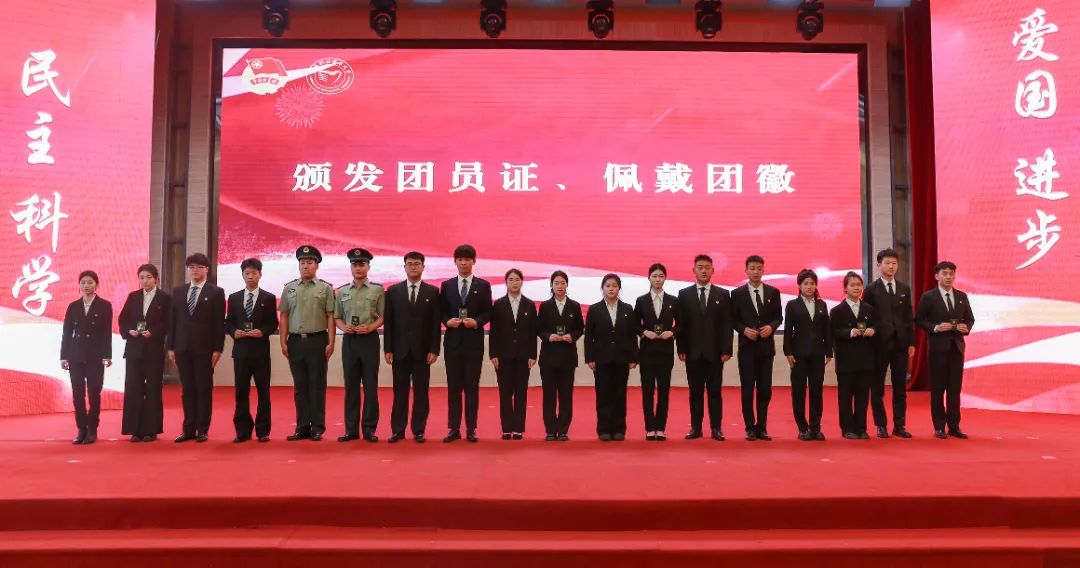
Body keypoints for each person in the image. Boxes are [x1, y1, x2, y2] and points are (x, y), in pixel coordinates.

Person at [279, 245, 336, 442]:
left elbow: (330, 316)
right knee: (300, 387)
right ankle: (302, 426)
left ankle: (318, 427)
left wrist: (331, 342)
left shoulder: (325, 288)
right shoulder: (289, 288)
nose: (305, 266)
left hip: (318, 341)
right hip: (295, 342)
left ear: (316, 266)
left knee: (317, 386)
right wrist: (283, 341)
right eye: (302, 262)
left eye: (310, 262)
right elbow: (284, 315)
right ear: (298, 265)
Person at [167, 253, 226, 443]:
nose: (195, 270)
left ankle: (202, 429)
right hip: (182, 347)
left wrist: (218, 348)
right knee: (187, 389)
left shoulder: (216, 292)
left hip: (205, 349)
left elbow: (219, 323)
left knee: (203, 389)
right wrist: (170, 346)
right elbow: (172, 321)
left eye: (199, 267)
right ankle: (188, 429)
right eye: (191, 267)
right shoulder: (178, 291)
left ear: (206, 269)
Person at [383, 251, 441, 444]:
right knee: (399, 393)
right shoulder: (393, 291)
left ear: (423, 267)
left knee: (421, 393)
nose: (413, 267)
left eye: (417, 264)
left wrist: (434, 349)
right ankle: (398, 430)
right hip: (399, 351)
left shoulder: (432, 292)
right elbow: (389, 322)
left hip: (422, 352)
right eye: (410, 263)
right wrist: (388, 349)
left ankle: (418, 430)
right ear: (404, 267)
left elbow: (435, 324)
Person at [676, 254, 733, 441]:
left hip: (715, 353)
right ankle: (696, 428)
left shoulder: (723, 294)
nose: (703, 270)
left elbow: (727, 324)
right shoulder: (684, 295)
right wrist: (681, 348)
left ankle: (716, 428)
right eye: (700, 267)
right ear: (694, 270)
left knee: (715, 392)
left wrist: (727, 349)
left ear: (713, 270)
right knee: (695, 393)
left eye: (707, 267)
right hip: (692, 352)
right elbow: (681, 325)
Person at [915, 261, 975, 440]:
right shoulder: (929, 297)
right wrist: (935, 327)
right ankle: (939, 426)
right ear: (937, 276)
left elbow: (970, 319)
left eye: (951, 274)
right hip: (937, 349)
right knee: (938, 389)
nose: (948, 277)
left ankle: (954, 426)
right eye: (944, 273)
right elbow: (920, 319)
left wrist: (966, 327)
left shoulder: (962, 296)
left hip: (956, 348)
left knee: (954, 389)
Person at [439, 244, 492, 443]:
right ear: (455, 262)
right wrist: (447, 322)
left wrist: (476, 322)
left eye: (467, 259)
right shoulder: (447, 285)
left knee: (471, 387)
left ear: (474, 261)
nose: (463, 263)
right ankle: (453, 428)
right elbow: (441, 311)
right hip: (452, 344)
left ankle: (471, 428)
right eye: (460, 259)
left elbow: (488, 312)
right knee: (453, 388)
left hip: (473, 344)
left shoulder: (483, 285)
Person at [861, 248, 916, 439]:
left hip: (900, 344)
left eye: (894, 263)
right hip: (878, 344)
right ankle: (881, 425)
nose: (891, 266)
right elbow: (867, 316)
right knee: (877, 387)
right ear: (879, 265)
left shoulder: (904, 289)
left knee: (900, 387)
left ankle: (899, 425)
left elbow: (908, 317)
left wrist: (911, 342)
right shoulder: (871, 289)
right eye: (887, 263)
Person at [224, 258, 278, 443]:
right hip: (240, 352)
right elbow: (228, 322)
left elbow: (273, 323)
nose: (250, 277)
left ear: (260, 275)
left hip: (260, 352)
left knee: (264, 392)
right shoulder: (234, 298)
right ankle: (242, 431)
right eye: (247, 273)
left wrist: (262, 331)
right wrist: (234, 332)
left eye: (254, 273)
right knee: (241, 392)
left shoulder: (268, 298)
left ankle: (263, 431)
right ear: (242, 275)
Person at [730, 255, 783, 441]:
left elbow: (779, 317)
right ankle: (750, 427)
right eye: (752, 268)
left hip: (766, 349)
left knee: (764, 389)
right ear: (746, 270)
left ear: (763, 270)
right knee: (747, 389)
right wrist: (743, 330)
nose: (755, 272)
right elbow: (732, 319)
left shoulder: (773, 292)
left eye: (759, 268)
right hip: (747, 348)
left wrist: (771, 327)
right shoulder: (737, 294)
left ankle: (762, 426)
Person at [335, 248, 385, 443]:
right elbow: (337, 317)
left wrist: (371, 327)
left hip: (369, 340)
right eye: (355, 264)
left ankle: (369, 429)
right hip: (350, 341)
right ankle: (351, 430)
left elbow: (382, 316)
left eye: (362, 264)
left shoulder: (377, 290)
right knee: (351, 387)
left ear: (368, 267)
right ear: (351, 267)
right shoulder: (342, 291)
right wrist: (343, 327)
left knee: (370, 386)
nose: (358, 268)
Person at [118, 264, 170, 442]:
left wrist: (153, 332)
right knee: (133, 388)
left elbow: (168, 322)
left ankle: (151, 429)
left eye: (148, 277)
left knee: (153, 389)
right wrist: (129, 331)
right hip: (134, 350)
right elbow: (123, 320)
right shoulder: (133, 296)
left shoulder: (164, 298)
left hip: (153, 350)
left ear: (156, 279)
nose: (145, 281)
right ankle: (135, 430)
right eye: (142, 277)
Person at [60, 270, 113, 445]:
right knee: (78, 393)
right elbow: (67, 333)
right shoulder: (73, 306)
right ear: (79, 285)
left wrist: (107, 355)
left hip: (95, 355)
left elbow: (106, 333)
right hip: (75, 355)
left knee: (94, 391)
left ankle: (92, 429)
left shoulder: (104, 305)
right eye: (83, 282)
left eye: (90, 282)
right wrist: (64, 356)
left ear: (96, 284)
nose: (86, 285)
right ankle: (81, 428)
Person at [584, 273, 639, 442]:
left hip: (622, 358)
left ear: (619, 288)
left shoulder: (627, 309)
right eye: (608, 286)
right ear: (603, 288)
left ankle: (619, 429)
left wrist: (633, 357)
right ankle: (604, 429)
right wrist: (590, 358)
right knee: (603, 395)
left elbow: (632, 335)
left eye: (614, 286)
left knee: (620, 394)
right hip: (601, 359)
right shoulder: (594, 309)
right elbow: (589, 337)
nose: (611, 289)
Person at [782, 269, 832, 441]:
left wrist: (829, 351)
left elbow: (826, 330)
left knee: (817, 391)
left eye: (812, 283)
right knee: (799, 391)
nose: (809, 287)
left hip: (818, 353)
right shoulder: (792, 305)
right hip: (798, 354)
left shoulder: (822, 305)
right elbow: (788, 330)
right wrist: (788, 352)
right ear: (799, 285)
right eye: (806, 284)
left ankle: (815, 427)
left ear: (816, 285)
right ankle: (802, 428)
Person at [489, 268, 538, 440]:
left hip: (523, 356)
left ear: (522, 282)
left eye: (517, 279)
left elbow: (533, 332)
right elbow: (493, 332)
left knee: (520, 393)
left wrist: (533, 354)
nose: (514, 283)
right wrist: (493, 354)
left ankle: (518, 428)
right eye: (511, 279)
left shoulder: (529, 305)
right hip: (503, 356)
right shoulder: (498, 304)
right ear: (506, 282)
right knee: (505, 393)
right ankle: (506, 428)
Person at [829, 271, 878, 440]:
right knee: (845, 396)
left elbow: (877, 326)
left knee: (863, 396)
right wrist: (849, 332)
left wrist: (873, 330)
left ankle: (861, 428)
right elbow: (833, 332)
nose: (856, 288)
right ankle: (847, 428)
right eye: (852, 285)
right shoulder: (837, 311)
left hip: (865, 359)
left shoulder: (869, 309)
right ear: (845, 288)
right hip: (846, 360)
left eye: (859, 285)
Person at [536, 271, 583, 441]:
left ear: (567, 285)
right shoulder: (545, 306)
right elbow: (539, 329)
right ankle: (550, 429)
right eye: (556, 283)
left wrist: (572, 336)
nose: (560, 286)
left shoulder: (574, 306)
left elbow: (580, 328)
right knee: (549, 396)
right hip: (548, 357)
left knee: (566, 396)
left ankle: (563, 429)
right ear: (551, 285)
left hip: (567, 358)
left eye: (563, 283)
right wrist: (549, 336)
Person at [633, 263, 678, 441]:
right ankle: (650, 428)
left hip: (666, 352)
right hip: (647, 352)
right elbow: (634, 324)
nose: (658, 279)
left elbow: (682, 324)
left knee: (664, 391)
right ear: (649, 278)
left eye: (661, 276)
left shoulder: (673, 300)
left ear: (665, 278)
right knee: (648, 391)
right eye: (654, 276)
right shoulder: (641, 300)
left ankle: (661, 428)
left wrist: (672, 332)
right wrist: (644, 332)